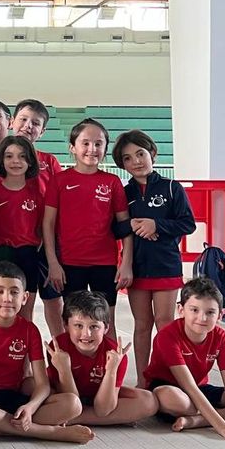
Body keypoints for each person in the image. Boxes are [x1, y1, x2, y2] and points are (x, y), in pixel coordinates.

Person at [0, 261, 93, 444]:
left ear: (24, 297)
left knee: (73, 404)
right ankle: (49, 432)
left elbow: (42, 385)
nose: (7, 298)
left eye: (14, 292)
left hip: (12, 398)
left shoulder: (29, 330)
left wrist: (31, 406)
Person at [113, 129, 197, 386]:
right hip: (138, 268)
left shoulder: (172, 188)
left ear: (152, 153)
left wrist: (156, 225)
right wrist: (132, 225)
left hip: (166, 266)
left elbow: (188, 223)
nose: (136, 161)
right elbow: (115, 228)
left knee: (165, 323)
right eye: (128, 158)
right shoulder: (124, 193)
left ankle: (170, 378)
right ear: (122, 164)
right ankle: (143, 381)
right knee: (142, 325)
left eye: (140, 154)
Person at [145, 276, 225, 436]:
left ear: (220, 315)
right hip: (171, 389)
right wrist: (222, 427)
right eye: (194, 310)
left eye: (210, 312)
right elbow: (189, 387)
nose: (202, 318)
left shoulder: (220, 336)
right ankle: (211, 415)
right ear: (181, 310)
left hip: (201, 388)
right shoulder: (167, 336)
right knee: (173, 398)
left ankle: (197, 421)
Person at [43, 118, 133, 337]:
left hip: (105, 263)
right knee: (74, 323)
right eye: (85, 143)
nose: (92, 149)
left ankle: (110, 361)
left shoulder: (112, 182)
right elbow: (48, 224)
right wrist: (53, 263)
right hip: (70, 264)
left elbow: (125, 226)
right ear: (72, 148)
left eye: (98, 143)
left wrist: (126, 263)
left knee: (106, 323)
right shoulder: (59, 181)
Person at [48, 290, 158, 426]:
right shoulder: (58, 348)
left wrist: (111, 370)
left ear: (106, 328)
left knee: (149, 401)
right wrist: (64, 369)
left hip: (99, 395)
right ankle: (113, 419)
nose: (86, 334)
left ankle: (74, 420)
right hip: (67, 396)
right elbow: (71, 402)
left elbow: (103, 410)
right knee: (37, 389)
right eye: (78, 325)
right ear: (66, 325)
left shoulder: (115, 354)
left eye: (94, 326)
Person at [0, 135, 48, 322]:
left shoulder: (37, 195)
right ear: (1, 160)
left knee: (25, 315)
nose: (16, 161)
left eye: (22, 156)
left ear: (30, 161)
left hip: (28, 257)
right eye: (9, 156)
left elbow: (42, 229)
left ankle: (24, 342)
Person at [11, 99, 62, 184]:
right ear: (12, 122)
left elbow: (61, 188)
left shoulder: (50, 161)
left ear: (42, 132)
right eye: (23, 119)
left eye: (35, 123)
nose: (28, 125)